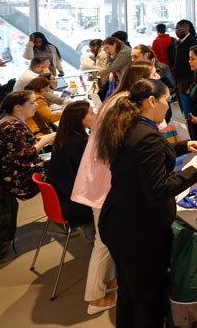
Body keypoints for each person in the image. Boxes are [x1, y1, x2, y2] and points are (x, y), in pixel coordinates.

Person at [97, 79, 197, 327]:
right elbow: (159, 188)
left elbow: (144, 161)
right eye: (166, 101)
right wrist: (193, 173)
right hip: (138, 229)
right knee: (147, 296)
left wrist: (180, 146)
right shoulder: (145, 134)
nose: (167, 107)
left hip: (119, 220)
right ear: (151, 101)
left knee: (129, 291)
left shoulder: (129, 125)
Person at [72, 61, 159, 315]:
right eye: (153, 74)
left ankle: (109, 282)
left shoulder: (118, 99)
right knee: (104, 242)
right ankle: (95, 297)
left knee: (108, 240)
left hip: (101, 177)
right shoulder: (125, 105)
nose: (157, 77)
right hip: (103, 181)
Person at [0, 91, 56, 200]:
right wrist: (46, 139)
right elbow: (23, 156)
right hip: (18, 180)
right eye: (32, 103)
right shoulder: (13, 127)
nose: (36, 105)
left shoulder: (7, 120)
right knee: (64, 163)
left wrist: (45, 138)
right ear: (18, 107)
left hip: (10, 173)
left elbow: (20, 145)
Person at [45, 101, 94, 227]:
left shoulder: (63, 139)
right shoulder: (79, 143)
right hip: (77, 204)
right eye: (91, 113)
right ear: (80, 119)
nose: (95, 115)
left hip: (64, 197)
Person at [173, 19, 197, 100]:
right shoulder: (179, 42)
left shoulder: (193, 43)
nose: (176, 31)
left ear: (186, 29)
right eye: (175, 29)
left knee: (186, 101)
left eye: (178, 29)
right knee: (181, 100)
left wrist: (193, 79)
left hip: (188, 78)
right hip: (179, 77)